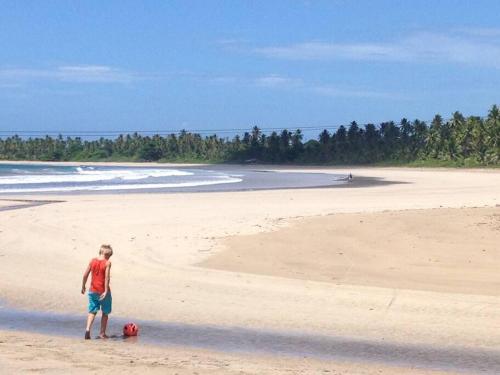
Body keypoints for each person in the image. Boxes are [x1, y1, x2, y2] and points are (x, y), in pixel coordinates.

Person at [81, 244, 113, 339]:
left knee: (92, 311)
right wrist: (106, 291)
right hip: (103, 292)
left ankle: (87, 329)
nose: (109, 258)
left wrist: (83, 286)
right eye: (109, 256)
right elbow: (107, 278)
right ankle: (102, 333)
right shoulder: (107, 263)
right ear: (106, 254)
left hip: (92, 291)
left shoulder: (92, 261)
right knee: (105, 312)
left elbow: (85, 275)